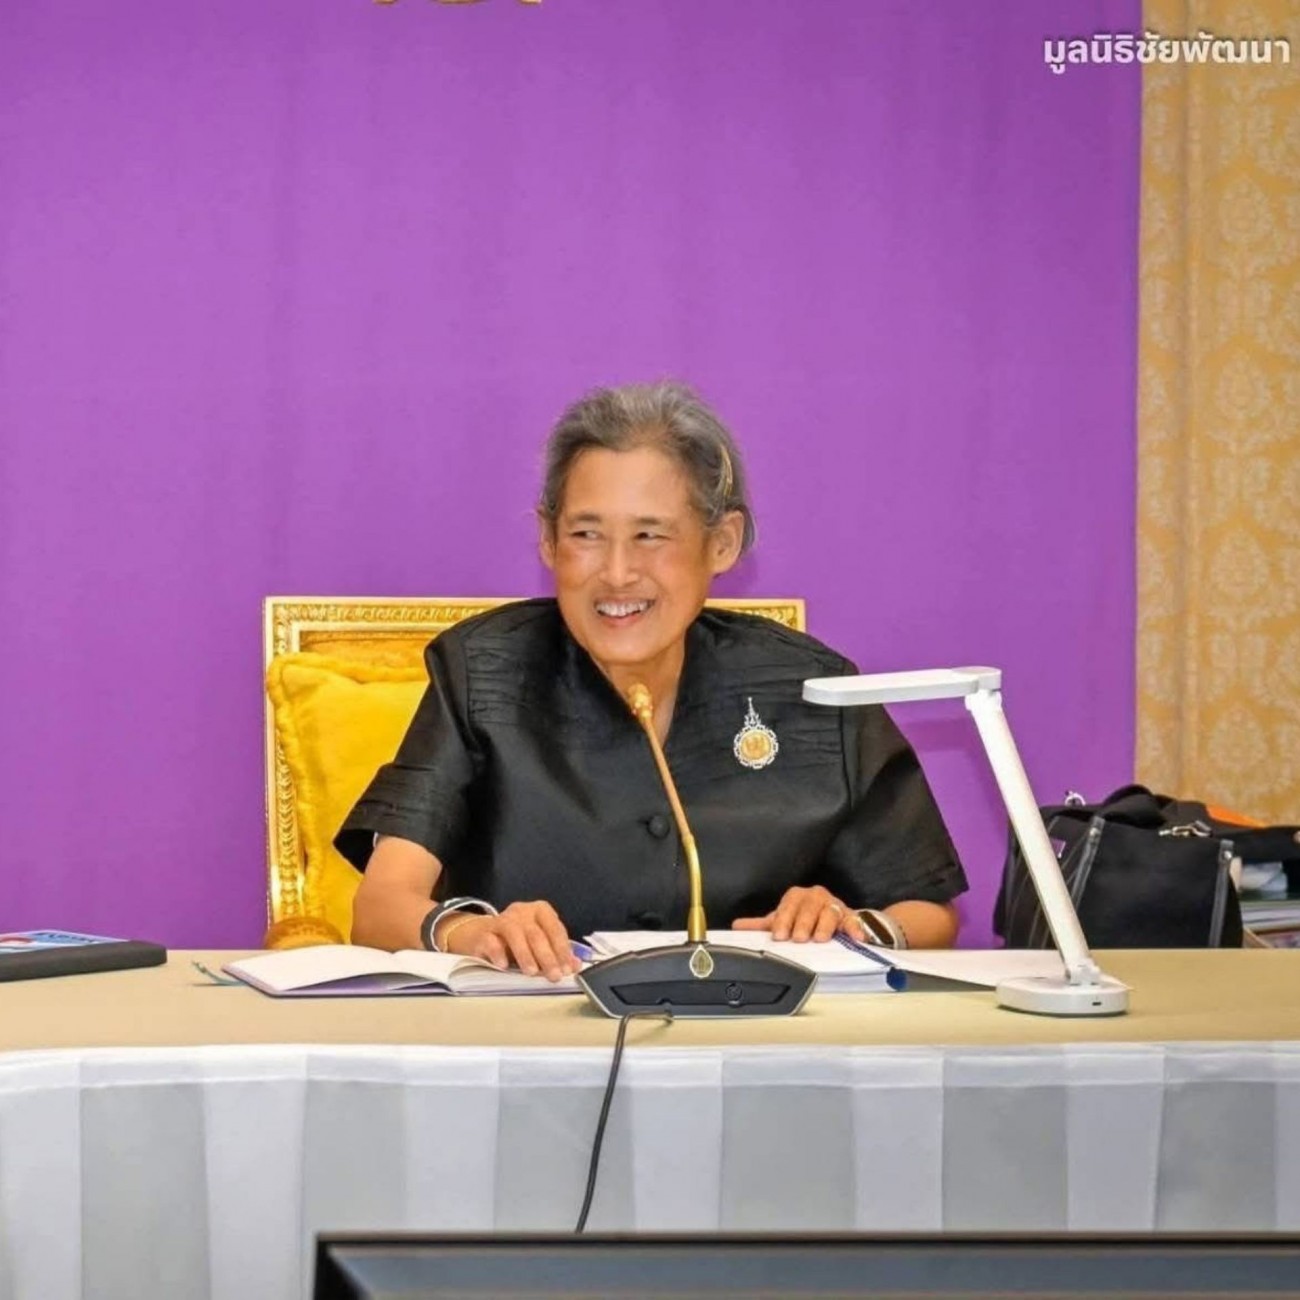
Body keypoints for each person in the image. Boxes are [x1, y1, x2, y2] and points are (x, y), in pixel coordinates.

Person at [337, 381, 966, 979]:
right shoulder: (481, 672)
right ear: (548, 542)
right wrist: (469, 932)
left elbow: (929, 912)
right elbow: (381, 906)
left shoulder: (811, 689)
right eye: (586, 534)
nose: (617, 573)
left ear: (722, 543)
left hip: (752, 1037)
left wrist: (855, 925)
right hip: (535, 1029)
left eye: (650, 536)